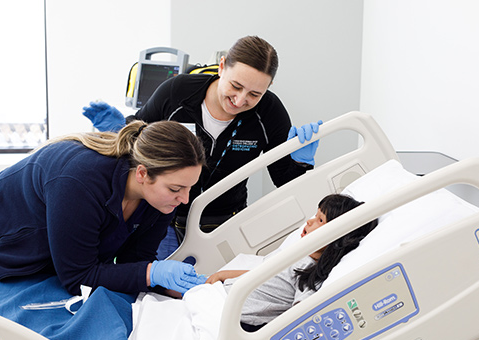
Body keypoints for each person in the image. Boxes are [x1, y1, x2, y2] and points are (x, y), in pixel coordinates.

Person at [82, 35, 322, 258]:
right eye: (236, 86)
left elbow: (285, 180)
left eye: (254, 94)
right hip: (162, 215)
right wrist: (116, 130)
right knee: (152, 289)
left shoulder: (269, 113)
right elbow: (135, 140)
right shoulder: (177, 94)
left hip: (224, 221)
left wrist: (302, 163)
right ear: (221, 66)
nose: (240, 101)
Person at [0, 120, 208, 296]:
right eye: (176, 189)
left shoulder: (162, 199)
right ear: (142, 174)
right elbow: (78, 278)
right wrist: (152, 273)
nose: (185, 199)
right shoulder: (79, 183)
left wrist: (173, 288)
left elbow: (135, 261)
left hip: (59, 248)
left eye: (189, 188)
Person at [206, 194, 378, 331]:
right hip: (223, 295)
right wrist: (224, 274)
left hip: (235, 318)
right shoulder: (298, 253)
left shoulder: (310, 271)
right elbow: (263, 275)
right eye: (316, 214)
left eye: (320, 220)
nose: (309, 221)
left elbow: (300, 313)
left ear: (338, 238)